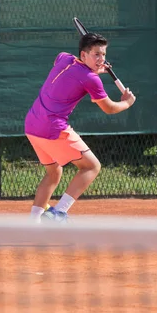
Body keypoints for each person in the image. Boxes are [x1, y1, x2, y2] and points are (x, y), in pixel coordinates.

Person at [24, 32, 136, 223]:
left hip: (32, 125)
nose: (101, 59)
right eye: (96, 54)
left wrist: (92, 69)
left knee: (54, 172)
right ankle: (58, 213)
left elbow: (62, 64)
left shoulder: (65, 57)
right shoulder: (91, 79)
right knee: (91, 166)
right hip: (53, 127)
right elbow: (109, 108)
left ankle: (33, 223)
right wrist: (127, 103)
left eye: (103, 55)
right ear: (83, 55)